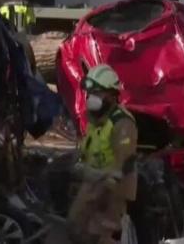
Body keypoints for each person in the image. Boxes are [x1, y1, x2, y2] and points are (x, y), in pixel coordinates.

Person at [67, 64, 138, 244]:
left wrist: (103, 181)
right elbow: (90, 146)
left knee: (101, 233)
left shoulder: (122, 124)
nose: (92, 98)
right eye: (91, 94)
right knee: (76, 226)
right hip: (94, 181)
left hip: (112, 189)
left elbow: (121, 165)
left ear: (112, 95)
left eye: (97, 93)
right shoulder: (97, 118)